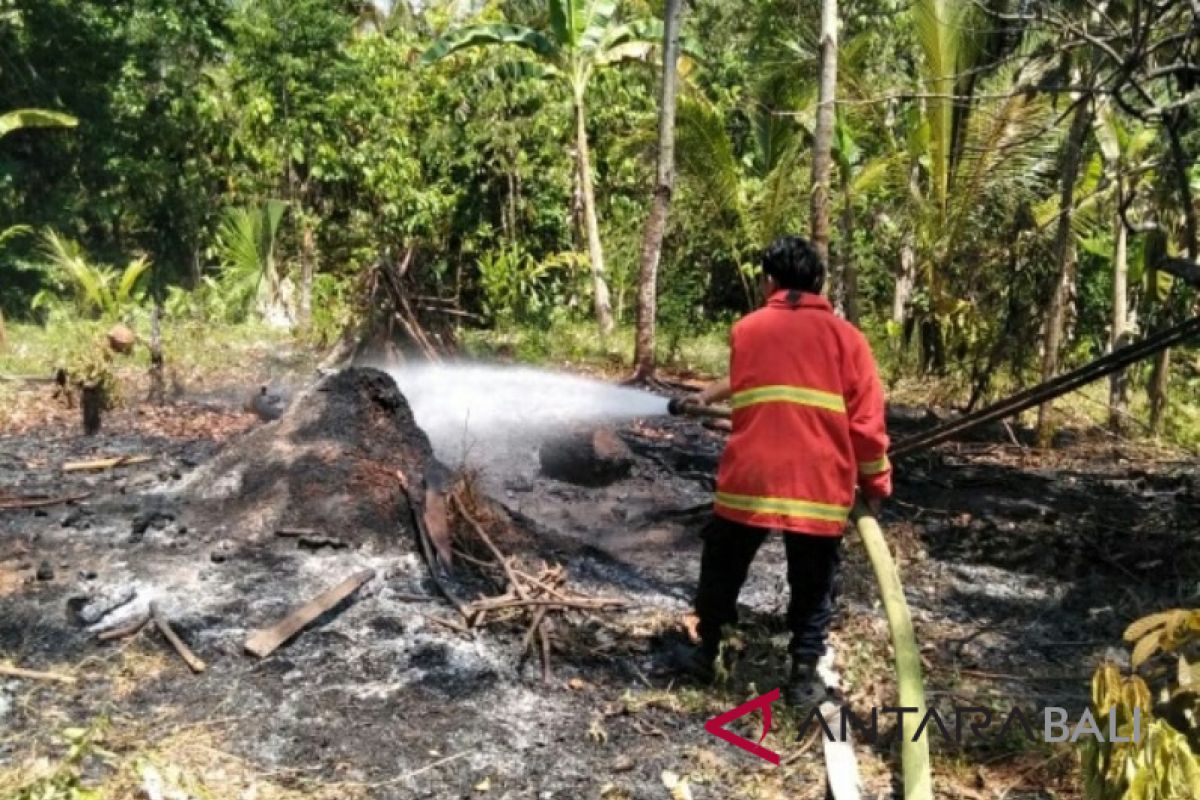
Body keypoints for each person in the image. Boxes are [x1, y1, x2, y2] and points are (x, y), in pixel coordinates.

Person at [675, 235, 891, 711]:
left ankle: (709, 653)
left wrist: (705, 399)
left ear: (768, 280)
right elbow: (868, 424)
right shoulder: (848, 340)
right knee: (813, 582)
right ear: (818, 283)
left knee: (723, 566)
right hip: (818, 484)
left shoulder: (747, 330)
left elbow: (752, 380)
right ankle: (802, 676)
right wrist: (876, 484)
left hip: (749, 478)